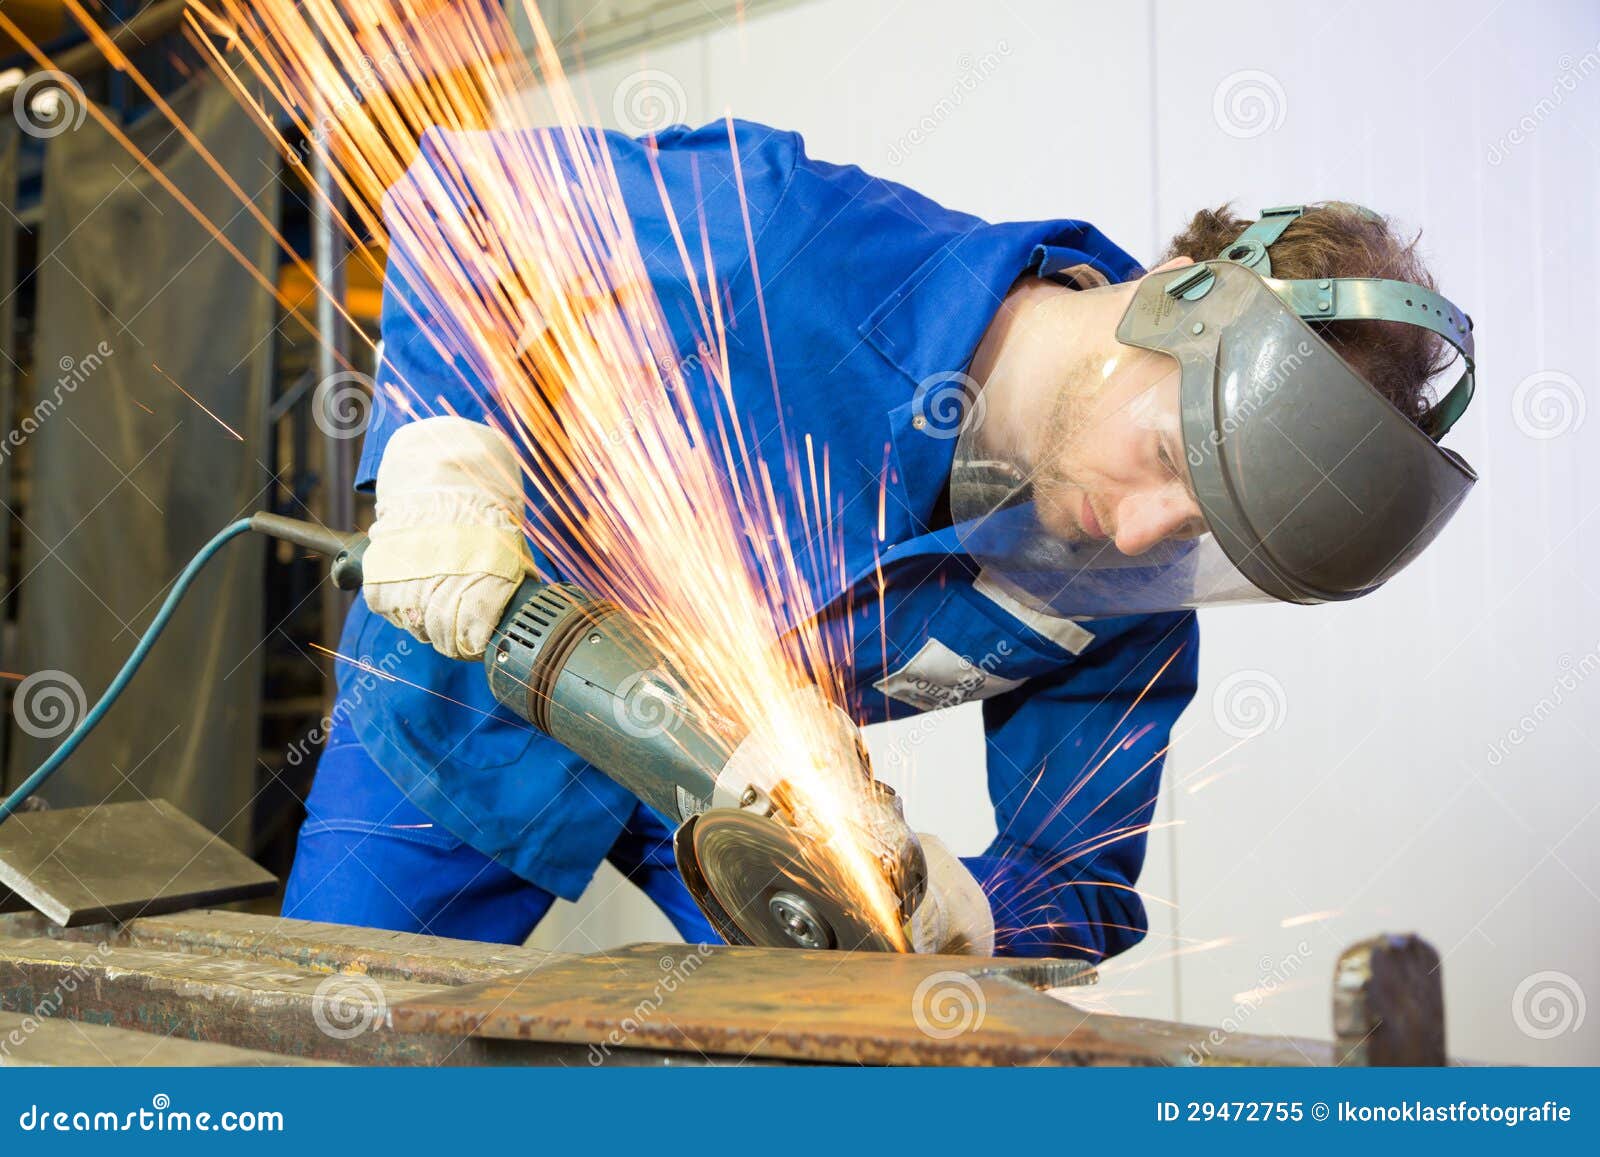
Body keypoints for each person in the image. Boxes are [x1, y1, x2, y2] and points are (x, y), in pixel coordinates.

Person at [281, 120, 1477, 961]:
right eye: (1168, 459)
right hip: (475, 688)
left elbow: (1079, 874)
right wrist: (439, 453)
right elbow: (467, 198)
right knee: (327, 1041)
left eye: (1202, 530)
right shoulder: (787, 235)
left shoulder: (1127, 584)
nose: (1141, 532)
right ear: (1171, 291)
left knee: (853, 1067)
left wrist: (955, 904)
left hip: (738, 794)